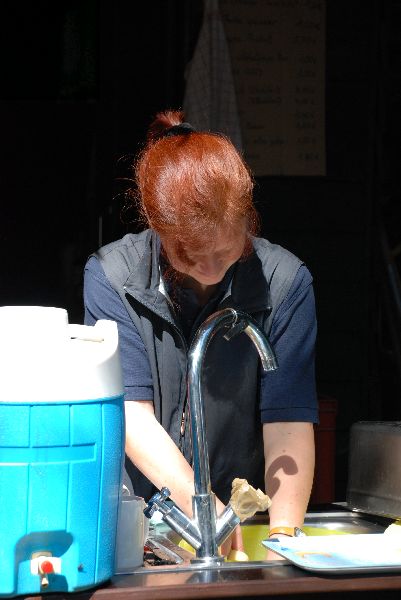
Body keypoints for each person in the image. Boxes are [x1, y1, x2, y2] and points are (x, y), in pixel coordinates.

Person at [83, 110, 318, 556]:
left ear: (247, 220)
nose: (210, 272)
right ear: (157, 227)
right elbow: (133, 415)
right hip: (137, 525)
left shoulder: (286, 282)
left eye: (225, 252)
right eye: (189, 254)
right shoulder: (112, 276)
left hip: (240, 513)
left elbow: (287, 421)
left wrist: (284, 537)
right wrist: (203, 510)